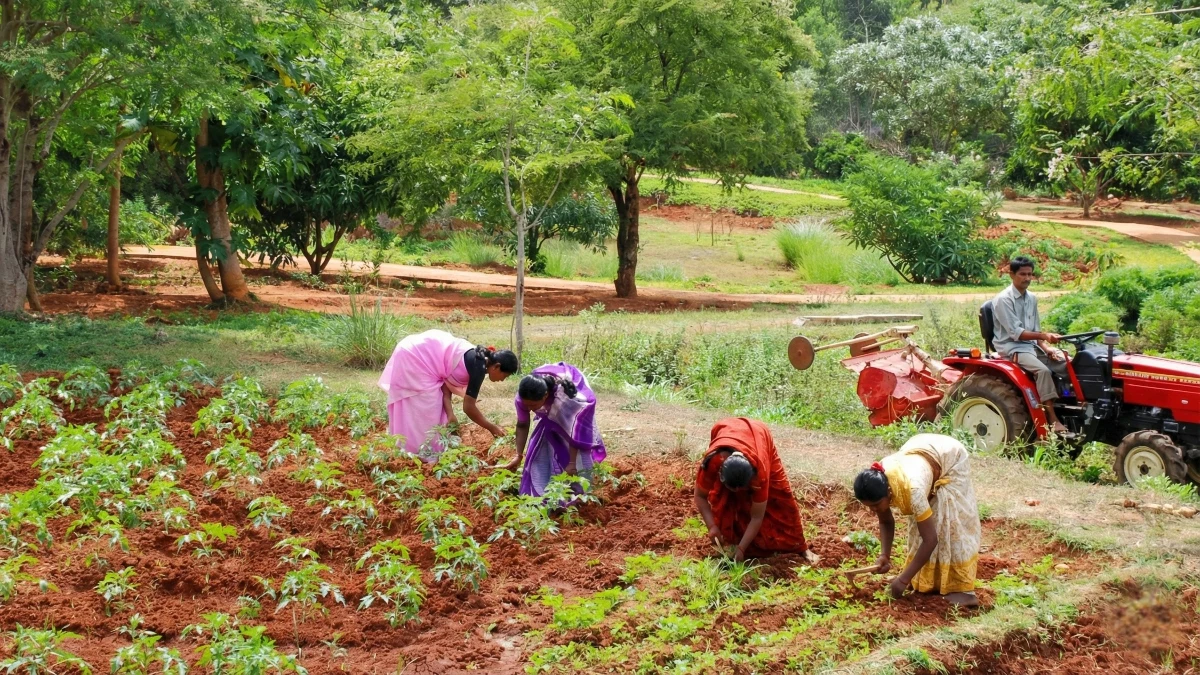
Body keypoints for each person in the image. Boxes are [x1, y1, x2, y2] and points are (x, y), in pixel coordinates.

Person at [853, 433, 982, 607]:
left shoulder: (913, 490)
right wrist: (885, 555)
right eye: (869, 506)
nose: (873, 510)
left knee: (947, 523)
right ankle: (930, 581)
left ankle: (965, 592)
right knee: (920, 525)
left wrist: (902, 581)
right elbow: (885, 521)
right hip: (921, 450)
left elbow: (931, 540)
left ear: (889, 493)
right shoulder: (878, 480)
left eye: (876, 505)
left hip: (951, 457)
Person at [378, 329, 518, 459]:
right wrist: (491, 427)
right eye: (504, 376)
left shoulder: (479, 360)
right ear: (496, 366)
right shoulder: (478, 368)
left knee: (434, 406)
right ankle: (417, 452)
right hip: (415, 357)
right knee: (427, 406)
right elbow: (468, 407)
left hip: (416, 352)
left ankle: (416, 450)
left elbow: (445, 383)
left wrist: (450, 414)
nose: (502, 380)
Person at [693, 418, 817, 563]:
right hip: (729, 432)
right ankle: (733, 539)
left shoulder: (759, 473)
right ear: (721, 475)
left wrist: (741, 549)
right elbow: (700, 496)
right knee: (725, 499)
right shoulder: (713, 462)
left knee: (781, 499)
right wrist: (712, 526)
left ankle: (800, 547)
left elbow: (757, 516)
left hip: (759, 436)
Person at [991, 255, 1069, 432]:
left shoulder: (1032, 298)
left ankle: (1068, 407)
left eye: (1030, 274)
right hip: (1011, 347)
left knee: (1066, 364)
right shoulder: (1004, 300)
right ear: (1011, 275)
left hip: (1031, 346)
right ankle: (1052, 420)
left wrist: (1047, 348)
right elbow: (1016, 333)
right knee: (1042, 371)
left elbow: (1035, 330)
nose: (1027, 278)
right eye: (1022, 274)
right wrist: (1045, 336)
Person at [505, 362, 606, 496]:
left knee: (577, 463)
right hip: (553, 399)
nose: (529, 408)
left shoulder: (567, 400)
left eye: (533, 405)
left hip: (578, 406)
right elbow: (522, 424)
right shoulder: (523, 397)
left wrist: (571, 463)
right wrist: (518, 455)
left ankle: (578, 496)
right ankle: (543, 494)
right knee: (539, 450)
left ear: (545, 395)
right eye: (526, 405)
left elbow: (574, 431)